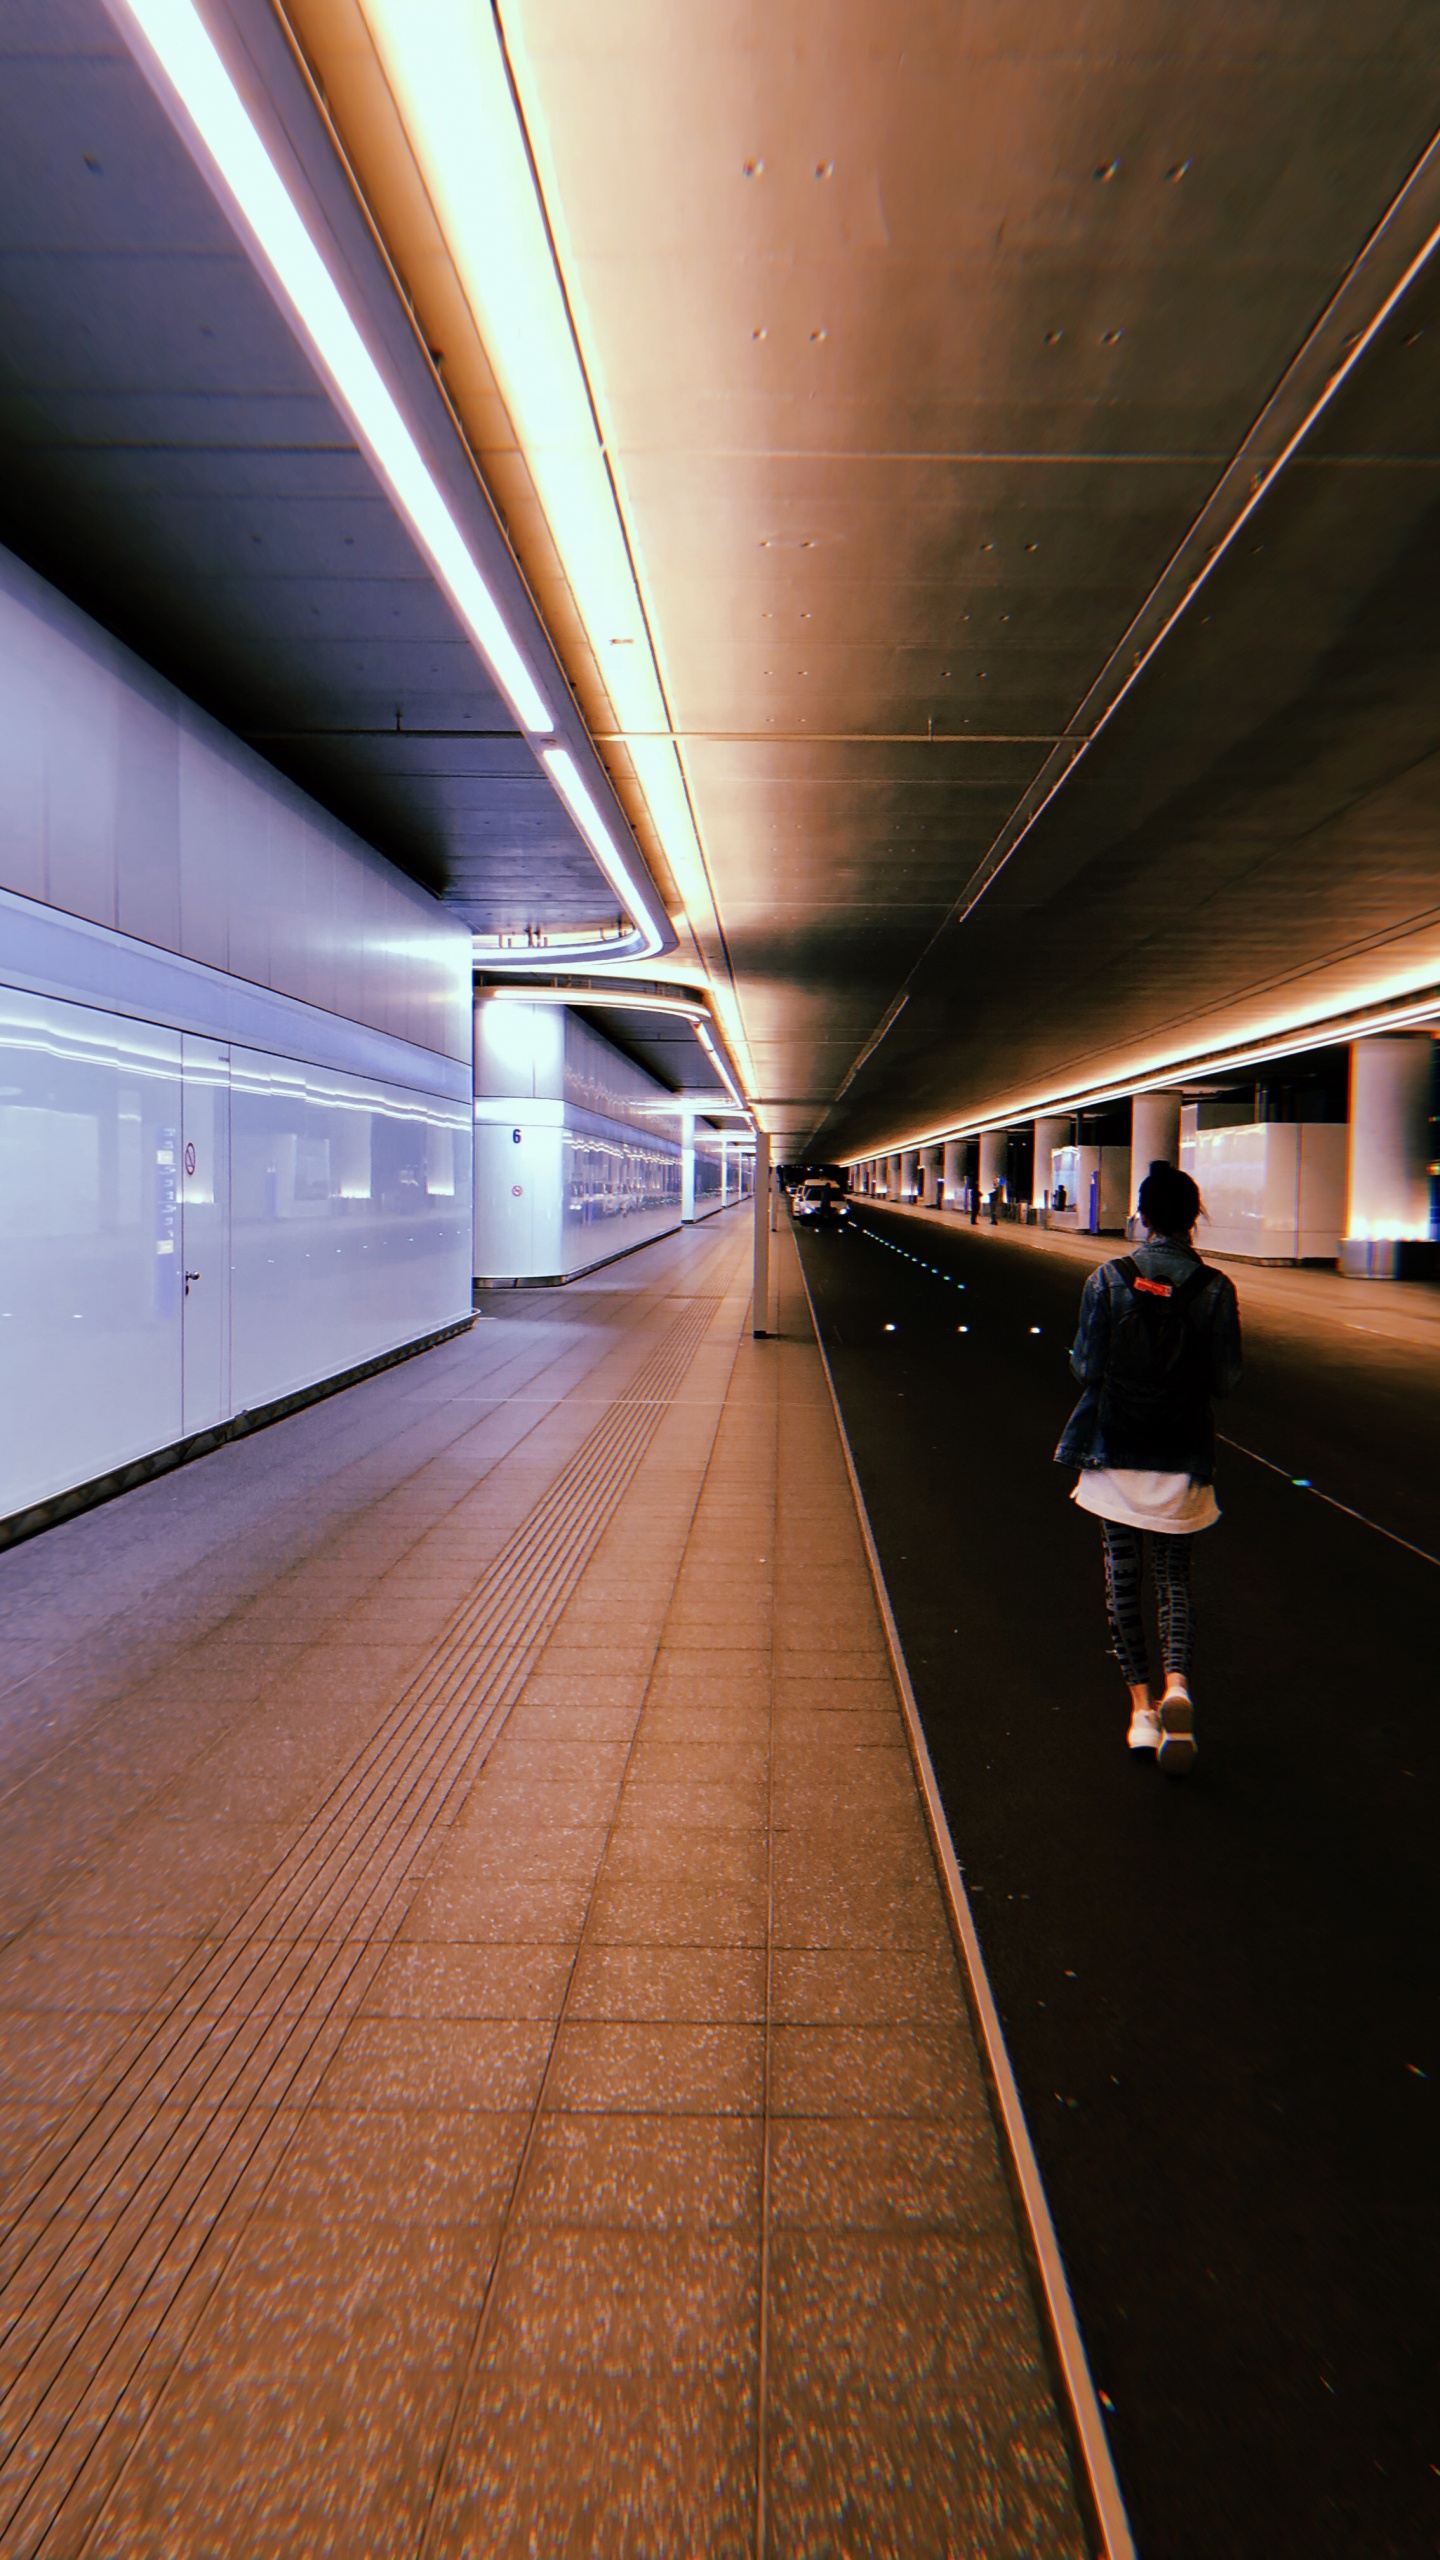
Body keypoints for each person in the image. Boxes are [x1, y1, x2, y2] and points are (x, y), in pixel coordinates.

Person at [1055, 1162, 1242, 1774]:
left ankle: (1141, 1711)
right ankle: (1177, 1684)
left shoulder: (1108, 1279)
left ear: (1141, 1216)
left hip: (1115, 1452)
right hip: (1181, 1454)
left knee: (1123, 1580)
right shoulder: (1216, 1288)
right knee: (1173, 1580)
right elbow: (1226, 1379)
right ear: (1194, 1217)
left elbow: (1087, 1368)